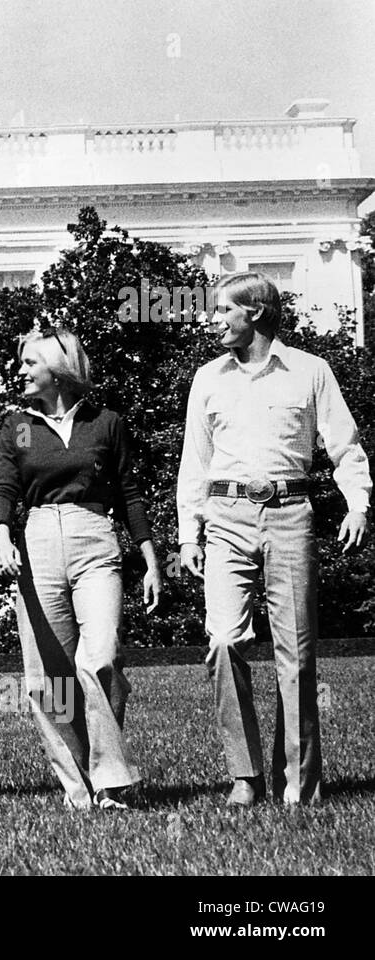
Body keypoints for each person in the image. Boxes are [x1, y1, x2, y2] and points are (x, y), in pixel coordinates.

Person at [178, 272, 369, 807]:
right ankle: (245, 774)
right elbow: (194, 461)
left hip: (289, 514)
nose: (213, 319)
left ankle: (299, 784)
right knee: (223, 640)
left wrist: (358, 504)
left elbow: (345, 446)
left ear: (255, 313)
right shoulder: (207, 379)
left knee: (298, 653)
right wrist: (188, 532)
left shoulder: (311, 371)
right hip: (225, 516)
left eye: (223, 310)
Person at [0, 328, 162, 810]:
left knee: (100, 657)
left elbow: (130, 493)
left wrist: (150, 555)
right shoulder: (17, 425)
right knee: (49, 677)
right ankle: (78, 788)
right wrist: (2, 534)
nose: (20, 371)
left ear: (59, 368)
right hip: (39, 538)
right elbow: (4, 487)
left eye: (29, 363)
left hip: (95, 537)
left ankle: (111, 779)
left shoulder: (105, 423)